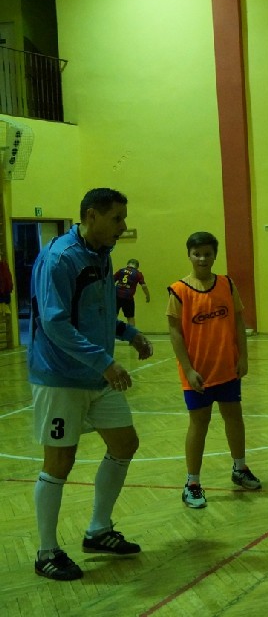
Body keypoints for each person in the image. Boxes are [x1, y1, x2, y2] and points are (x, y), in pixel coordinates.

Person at [28, 187, 154, 581]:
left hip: (97, 375)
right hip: (61, 378)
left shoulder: (102, 253)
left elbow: (95, 311)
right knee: (59, 462)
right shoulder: (61, 258)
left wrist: (126, 332)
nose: (123, 226)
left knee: (124, 443)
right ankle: (46, 552)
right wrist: (106, 363)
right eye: (117, 218)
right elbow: (55, 323)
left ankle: (98, 530)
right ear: (91, 215)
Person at [166, 231, 261, 509]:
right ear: (189, 255)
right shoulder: (179, 290)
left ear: (214, 255)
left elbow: (239, 321)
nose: (202, 258)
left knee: (234, 417)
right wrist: (188, 369)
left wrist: (243, 356)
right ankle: (192, 483)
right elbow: (175, 333)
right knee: (199, 424)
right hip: (197, 373)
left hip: (227, 367)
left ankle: (240, 468)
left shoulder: (227, 284)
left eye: (207, 253)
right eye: (197, 253)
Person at [114, 258, 150, 326]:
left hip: (117, 295)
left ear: (128, 264)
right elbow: (144, 286)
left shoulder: (121, 271)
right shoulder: (138, 274)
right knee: (130, 317)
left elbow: (111, 281)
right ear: (137, 266)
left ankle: (110, 331)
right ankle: (132, 332)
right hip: (128, 297)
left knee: (113, 315)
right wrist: (147, 296)